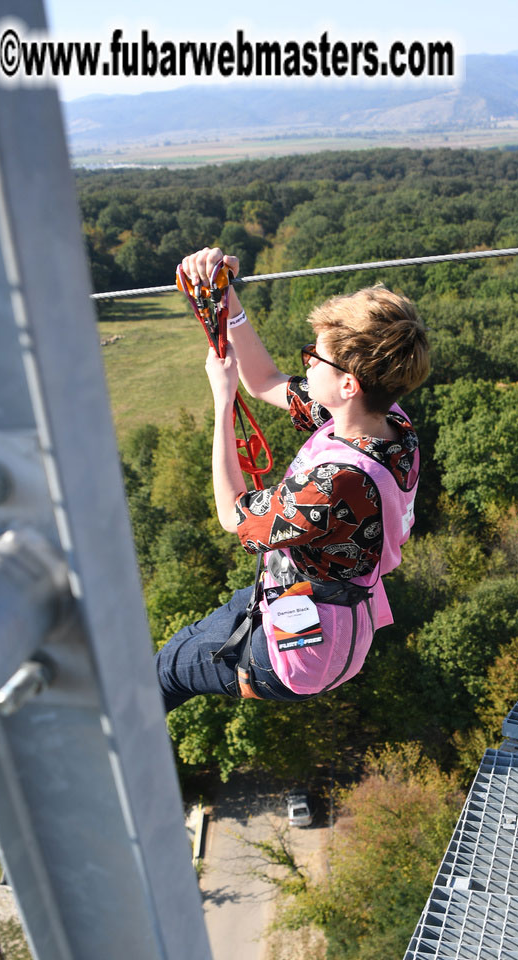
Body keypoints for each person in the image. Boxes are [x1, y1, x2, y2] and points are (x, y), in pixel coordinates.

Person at [155, 247, 429, 710]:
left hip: (297, 655)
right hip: (323, 609)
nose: (307, 363)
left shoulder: (336, 482)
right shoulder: (389, 423)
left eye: (316, 358)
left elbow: (232, 513)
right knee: (201, 634)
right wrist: (227, 299)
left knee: (165, 672)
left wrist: (222, 402)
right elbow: (263, 381)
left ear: (349, 385)